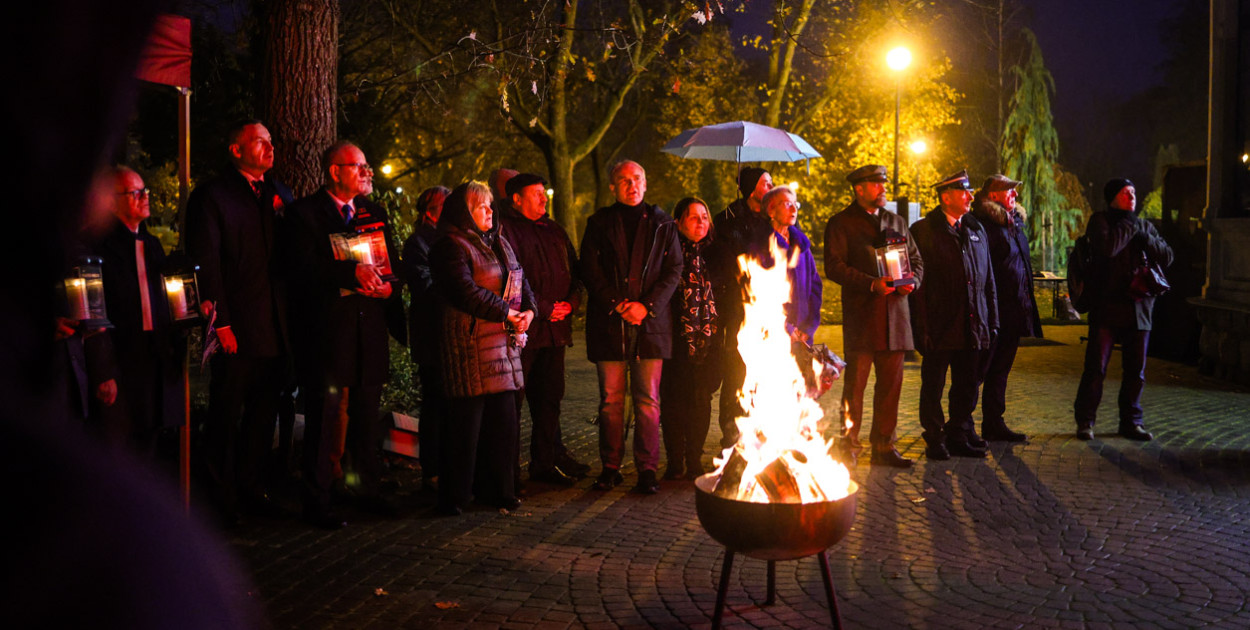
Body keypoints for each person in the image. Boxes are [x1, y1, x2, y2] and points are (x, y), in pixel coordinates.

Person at [285, 140, 406, 528]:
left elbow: (392, 265)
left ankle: (365, 488)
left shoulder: (374, 213)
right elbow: (300, 268)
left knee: (366, 415)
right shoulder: (304, 214)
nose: (366, 172)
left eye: (367, 165)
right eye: (358, 166)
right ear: (334, 171)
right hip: (328, 333)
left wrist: (390, 289)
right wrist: (349, 272)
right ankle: (318, 497)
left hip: (368, 329)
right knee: (325, 418)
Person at [185, 120, 294, 524]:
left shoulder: (279, 193)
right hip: (237, 324)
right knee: (226, 413)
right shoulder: (213, 196)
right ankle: (219, 495)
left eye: (271, 141)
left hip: (275, 325)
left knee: (263, 414)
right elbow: (206, 260)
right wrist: (222, 322)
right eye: (260, 142)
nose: (270, 147)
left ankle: (252, 488)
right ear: (236, 150)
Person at [429, 181, 536, 514]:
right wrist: (507, 312)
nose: (490, 211)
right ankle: (456, 496)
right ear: (464, 213)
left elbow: (520, 280)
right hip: (469, 348)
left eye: (490, 205)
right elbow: (464, 290)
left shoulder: (500, 242)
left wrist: (529, 311)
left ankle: (499, 490)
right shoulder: (450, 246)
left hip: (503, 348)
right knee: (465, 429)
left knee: (503, 425)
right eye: (481, 206)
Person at [580, 160, 682, 495]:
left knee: (648, 401)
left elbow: (674, 269)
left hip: (650, 326)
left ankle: (647, 470)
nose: (631, 185)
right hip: (610, 323)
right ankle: (610, 467)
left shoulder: (663, 224)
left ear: (645, 183)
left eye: (637, 178)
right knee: (610, 401)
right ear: (613, 187)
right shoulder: (598, 223)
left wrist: (646, 307)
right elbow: (589, 269)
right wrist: (617, 303)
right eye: (623, 180)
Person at [84, 166, 186, 461]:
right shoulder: (97, 246)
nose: (145, 197)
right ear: (112, 202)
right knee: (115, 448)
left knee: (148, 444)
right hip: (120, 360)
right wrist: (103, 371)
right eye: (135, 192)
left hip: (153, 359)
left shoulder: (151, 244)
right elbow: (93, 312)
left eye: (145, 191)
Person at [823, 165, 921, 468]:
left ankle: (884, 446)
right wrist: (870, 283)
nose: (883, 189)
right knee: (855, 388)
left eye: (884, 184)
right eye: (877, 184)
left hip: (896, 318)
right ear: (859, 188)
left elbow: (916, 261)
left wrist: (912, 282)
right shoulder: (841, 223)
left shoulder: (896, 221)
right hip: (863, 318)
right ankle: (849, 445)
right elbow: (834, 266)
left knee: (891, 388)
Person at [497, 173, 590, 485]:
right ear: (517, 199)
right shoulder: (505, 230)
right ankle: (508, 473)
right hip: (524, 333)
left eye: (544, 192)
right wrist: (546, 308)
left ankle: (545, 463)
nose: (543, 198)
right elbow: (512, 278)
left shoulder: (554, 229)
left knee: (549, 400)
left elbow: (574, 270)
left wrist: (571, 303)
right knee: (513, 404)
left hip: (555, 333)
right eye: (536, 193)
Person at [1074, 179, 1173, 441]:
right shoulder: (1101, 221)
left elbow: (1167, 256)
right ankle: (1085, 421)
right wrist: (1130, 225)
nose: (1132, 196)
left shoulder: (1143, 226)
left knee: (1136, 372)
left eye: (1133, 192)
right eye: (1125, 192)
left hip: (1139, 309)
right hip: (1106, 308)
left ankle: (1131, 422)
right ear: (1113, 198)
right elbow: (1108, 249)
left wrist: (1145, 236)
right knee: (1096, 368)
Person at [909, 169, 999, 460]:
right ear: (946, 197)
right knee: (933, 386)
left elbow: (987, 279)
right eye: (964, 192)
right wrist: (921, 327)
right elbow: (918, 286)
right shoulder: (924, 231)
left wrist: (992, 320)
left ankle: (959, 432)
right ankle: (935, 436)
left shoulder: (975, 229)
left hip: (973, 323)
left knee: (967, 384)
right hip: (940, 325)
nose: (971, 197)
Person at [708, 167, 774, 449]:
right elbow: (721, 261)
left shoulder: (772, 219)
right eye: (765, 182)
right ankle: (731, 431)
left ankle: (759, 428)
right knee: (736, 369)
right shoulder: (727, 219)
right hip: (735, 307)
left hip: (766, 304)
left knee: (763, 370)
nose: (771, 186)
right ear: (750, 188)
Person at [972, 174, 1040, 442]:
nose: (1015, 194)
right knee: (979, 370)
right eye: (1009, 190)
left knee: (1000, 370)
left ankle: (994, 422)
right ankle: (962, 424)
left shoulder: (1014, 223)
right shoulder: (983, 224)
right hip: (992, 311)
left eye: (1015, 190)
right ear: (993, 195)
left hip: (1013, 310)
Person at [659, 197, 721, 481]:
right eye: (693, 217)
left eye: (704, 217)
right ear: (679, 222)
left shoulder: (716, 254)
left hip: (707, 341)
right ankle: (675, 460)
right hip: (675, 338)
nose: (700, 223)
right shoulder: (668, 253)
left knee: (701, 400)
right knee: (673, 400)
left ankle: (694, 458)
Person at [399, 185, 450, 492]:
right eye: (446, 206)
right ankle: (432, 470)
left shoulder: (449, 239)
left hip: (448, 334)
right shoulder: (418, 243)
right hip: (432, 335)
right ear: (430, 212)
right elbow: (423, 285)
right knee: (434, 402)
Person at [760, 186, 822, 344]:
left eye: (796, 204)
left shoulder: (801, 246)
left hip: (803, 334)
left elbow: (815, 286)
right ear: (771, 210)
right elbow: (760, 293)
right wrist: (787, 328)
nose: (794, 209)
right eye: (787, 204)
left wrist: (809, 327)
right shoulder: (762, 246)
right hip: (773, 332)